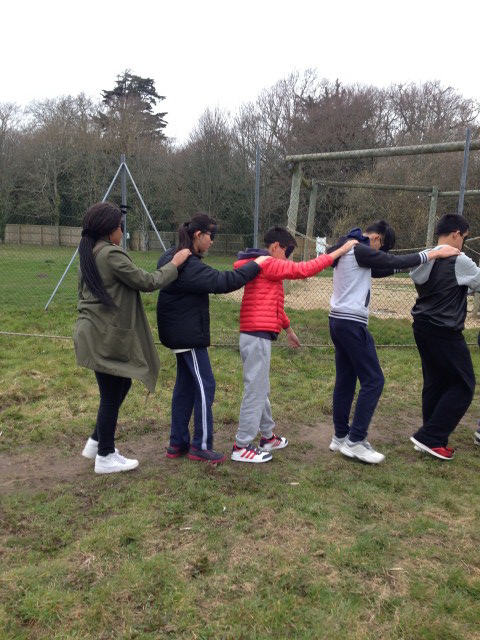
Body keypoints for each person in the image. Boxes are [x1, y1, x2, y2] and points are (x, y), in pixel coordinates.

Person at [327, 220, 460, 464]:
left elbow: (383, 268)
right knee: (374, 380)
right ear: (376, 238)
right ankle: (356, 441)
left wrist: (414, 263)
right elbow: (390, 261)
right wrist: (432, 254)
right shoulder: (359, 249)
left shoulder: (347, 248)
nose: (380, 252)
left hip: (337, 321)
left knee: (346, 380)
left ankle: (341, 436)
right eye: (382, 247)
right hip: (352, 323)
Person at [74, 202, 191, 474]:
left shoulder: (90, 252)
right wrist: (175, 263)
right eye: (120, 227)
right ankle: (105, 456)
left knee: (120, 384)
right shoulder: (111, 254)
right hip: (104, 336)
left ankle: (97, 441)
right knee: (111, 394)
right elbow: (147, 281)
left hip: (92, 332)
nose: (122, 231)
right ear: (110, 230)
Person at [231, 226, 358, 463]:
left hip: (257, 334)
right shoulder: (268, 263)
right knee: (255, 390)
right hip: (256, 335)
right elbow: (304, 269)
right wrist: (340, 251)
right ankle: (241, 446)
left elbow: (274, 306)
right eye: (287, 252)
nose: (288, 258)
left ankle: (267, 437)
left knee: (261, 387)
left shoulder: (264, 266)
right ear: (275, 247)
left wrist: (288, 330)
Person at [156, 213, 269, 465]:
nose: (213, 242)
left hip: (178, 334)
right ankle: (201, 446)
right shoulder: (189, 265)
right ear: (198, 235)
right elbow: (223, 281)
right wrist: (257, 265)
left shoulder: (172, 256)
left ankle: (177, 443)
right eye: (211, 236)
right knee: (205, 386)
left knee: (185, 388)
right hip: (187, 337)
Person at [409, 213, 480, 460]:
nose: (464, 243)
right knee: (464, 385)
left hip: (422, 326)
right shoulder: (458, 259)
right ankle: (429, 436)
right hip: (445, 330)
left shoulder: (425, 256)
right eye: (465, 237)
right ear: (457, 234)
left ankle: (432, 440)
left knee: (435, 382)